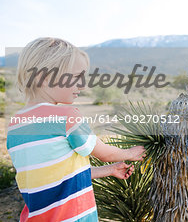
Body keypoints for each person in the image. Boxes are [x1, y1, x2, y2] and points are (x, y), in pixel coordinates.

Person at [6, 37, 146, 221]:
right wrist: (131, 152)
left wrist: (110, 170)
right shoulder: (66, 116)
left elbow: (56, 176)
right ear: (45, 77)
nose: (83, 85)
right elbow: (105, 153)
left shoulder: (15, 124)